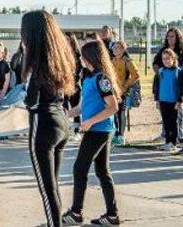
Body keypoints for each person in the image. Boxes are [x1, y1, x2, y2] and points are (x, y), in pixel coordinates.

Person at [21, 10, 75, 227]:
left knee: (46, 190)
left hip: (43, 125)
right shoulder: (59, 56)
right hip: (61, 121)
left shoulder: (36, 62)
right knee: (53, 187)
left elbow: (32, 102)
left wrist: (23, 98)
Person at [62, 40, 121, 226]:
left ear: (92, 57)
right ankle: (112, 216)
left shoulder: (102, 79)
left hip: (99, 131)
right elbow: (81, 107)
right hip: (95, 129)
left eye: (83, 56)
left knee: (79, 169)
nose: (80, 58)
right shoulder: (87, 79)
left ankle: (76, 212)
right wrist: (65, 115)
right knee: (103, 172)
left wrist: (89, 122)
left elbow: (113, 107)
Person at [152, 49, 183, 151]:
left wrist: (179, 101)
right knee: (166, 123)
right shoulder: (160, 71)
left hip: (173, 102)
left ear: (173, 59)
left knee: (173, 122)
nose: (165, 61)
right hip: (163, 101)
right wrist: (157, 100)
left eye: (168, 59)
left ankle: (173, 142)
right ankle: (167, 142)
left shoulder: (178, 72)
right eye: (163, 59)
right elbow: (156, 86)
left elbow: (180, 87)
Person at [111, 41, 139, 146]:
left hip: (122, 91)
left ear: (123, 49)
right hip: (112, 91)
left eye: (118, 48)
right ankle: (115, 134)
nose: (116, 50)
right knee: (113, 111)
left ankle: (121, 135)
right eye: (114, 48)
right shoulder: (112, 60)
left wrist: (125, 86)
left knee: (120, 112)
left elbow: (136, 75)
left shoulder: (127, 61)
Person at [64, 33, 83, 138]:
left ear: (72, 40)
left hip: (74, 85)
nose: (65, 41)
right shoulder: (61, 53)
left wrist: (74, 82)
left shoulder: (77, 54)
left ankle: (76, 131)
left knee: (76, 108)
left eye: (67, 39)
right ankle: (65, 129)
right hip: (64, 85)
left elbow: (79, 71)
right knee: (64, 107)